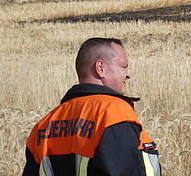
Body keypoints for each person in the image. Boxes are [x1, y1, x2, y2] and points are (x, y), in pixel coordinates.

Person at [22, 37, 161, 176]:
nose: (127, 74)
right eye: (124, 66)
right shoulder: (113, 113)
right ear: (100, 68)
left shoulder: (43, 126)